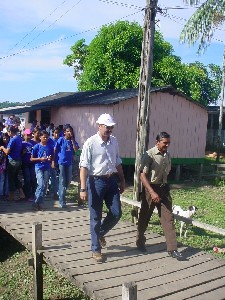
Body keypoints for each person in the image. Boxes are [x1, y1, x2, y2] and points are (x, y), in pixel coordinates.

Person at [79, 113, 125, 263]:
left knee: (116, 212)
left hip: (111, 180)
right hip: (95, 182)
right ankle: (95, 249)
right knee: (95, 217)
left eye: (111, 127)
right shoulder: (90, 143)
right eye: (107, 126)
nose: (110, 129)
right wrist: (83, 188)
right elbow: (83, 166)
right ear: (99, 126)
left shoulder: (114, 141)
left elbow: (117, 161)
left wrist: (122, 180)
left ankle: (99, 233)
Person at [136, 132, 184, 260]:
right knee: (145, 218)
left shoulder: (167, 155)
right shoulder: (149, 155)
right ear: (157, 142)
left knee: (168, 218)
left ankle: (172, 249)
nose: (167, 145)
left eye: (168, 143)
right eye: (165, 143)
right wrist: (152, 192)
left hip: (163, 189)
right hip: (150, 189)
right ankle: (140, 240)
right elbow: (142, 175)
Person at [54, 125, 79, 208]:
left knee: (68, 181)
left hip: (69, 163)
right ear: (64, 132)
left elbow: (75, 150)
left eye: (70, 131)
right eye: (68, 131)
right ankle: (62, 201)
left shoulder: (73, 141)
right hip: (61, 163)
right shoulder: (61, 140)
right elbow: (55, 149)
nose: (69, 132)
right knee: (62, 182)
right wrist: (54, 160)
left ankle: (60, 192)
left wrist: (72, 140)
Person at [0, 126, 25, 201]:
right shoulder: (19, 138)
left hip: (13, 161)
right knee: (15, 178)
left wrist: (2, 148)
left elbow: (7, 152)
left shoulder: (12, 139)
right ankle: (21, 193)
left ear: (10, 132)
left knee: (11, 178)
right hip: (18, 160)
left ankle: (11, 196)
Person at [30, 130, 54, 210]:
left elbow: (52, 157)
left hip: (46, 167)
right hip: (38, 167)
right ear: (40, 137)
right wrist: (40, 158)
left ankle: (40, 203)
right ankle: (35, 202)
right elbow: (31, 158)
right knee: (40, 184)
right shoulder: (36, 146)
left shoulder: (49, 146)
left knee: (44, 186)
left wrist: (50, 159)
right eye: (44, 137)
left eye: (47, 137)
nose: (46, 139)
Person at [21, 128, 36, 202]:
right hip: (25, 164)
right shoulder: (22, 144)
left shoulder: (33, 143)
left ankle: (33, 194)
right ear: (24, 135)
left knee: (33, 179)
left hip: (32, 164)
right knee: (27, 179)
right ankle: (28, 195)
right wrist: (22, 153)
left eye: (30, 135)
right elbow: (19, 154)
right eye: (27, 135)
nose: (29, 136)